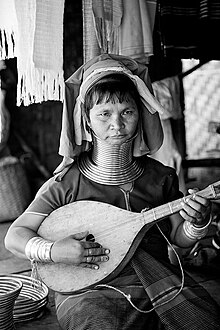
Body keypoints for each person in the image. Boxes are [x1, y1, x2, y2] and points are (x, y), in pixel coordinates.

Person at [4, 54, 220, 330]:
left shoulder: (160, 177)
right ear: (87, 120)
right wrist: (53, 250)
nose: (117, 124)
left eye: (127, 112)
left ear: (140, 116)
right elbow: (14, 237)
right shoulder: (67, 183)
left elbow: (179, 239)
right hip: (88, 289)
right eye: (104, 114)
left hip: (157, 281)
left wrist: (197, 223)